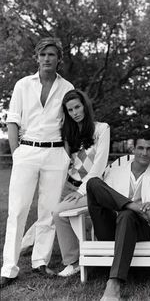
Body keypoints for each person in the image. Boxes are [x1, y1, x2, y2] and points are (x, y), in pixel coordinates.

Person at [0, 37, 74, 289]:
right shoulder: (23, 85)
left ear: (58, 59)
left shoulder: (67, 87)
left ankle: (40, 261)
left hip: (55, 155)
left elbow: (70, 124)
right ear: (37, 57)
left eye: (51, 55)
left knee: (48, 212)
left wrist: (66, 154)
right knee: (18, 210)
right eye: (42, 55)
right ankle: (9, 267)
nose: (46, 59)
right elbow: (13, 121)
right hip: (27, 152)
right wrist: (16, 152)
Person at [85, 131, 150, 300]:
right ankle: (135, 207)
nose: (144, 152)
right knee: (93, 183)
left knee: (127, 215)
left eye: (149, 149)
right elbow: (104, 195)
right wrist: (137, 207)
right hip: (110, 226)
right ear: (133, 149)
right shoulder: (116, 170)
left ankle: (114, 283)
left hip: (138, 229)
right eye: (140, 148)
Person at [51, 89, 110, 277]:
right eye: (70, 110)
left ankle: (73, 261)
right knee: (48, 214)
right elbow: (65, 161)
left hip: (90, 188)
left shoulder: (101, 129)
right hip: (68, 185)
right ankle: (28, 246)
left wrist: (82, 190)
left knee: (58, 213)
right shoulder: (68, 132)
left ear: (85, 106)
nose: (75, 112)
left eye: (77, 107)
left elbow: (99, 165)